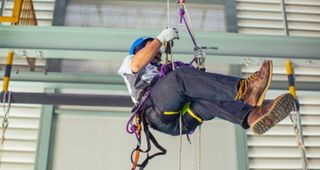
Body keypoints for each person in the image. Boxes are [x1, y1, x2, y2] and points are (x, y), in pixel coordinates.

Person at [118, 28, 295, 136]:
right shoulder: (130, 62)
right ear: (139, 49)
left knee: (205, 100)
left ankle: (252, 116)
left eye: (158, 50)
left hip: (178, 122)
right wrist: (160, 39)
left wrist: (200, 66)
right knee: (179, 77)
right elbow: (138, 63)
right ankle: (246, 89)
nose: (157, 52)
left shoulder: (165, 71)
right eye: (151, 47)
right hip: (155, 111)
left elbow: (199, 87)